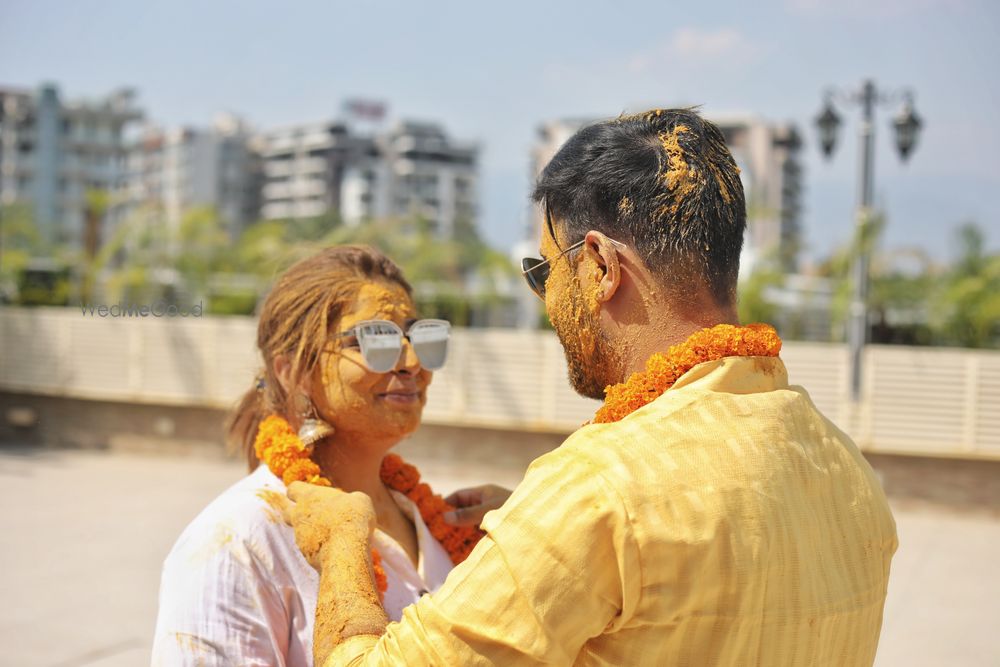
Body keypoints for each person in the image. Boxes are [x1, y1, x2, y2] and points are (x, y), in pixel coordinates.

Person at [286, 108, 899, 666]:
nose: (547, 299)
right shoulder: (843, 466)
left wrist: (343, 544)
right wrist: (538, 536)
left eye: (543, 270)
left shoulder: (598, 491)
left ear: (600, 267)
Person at [151, 246, 509, 666]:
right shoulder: (239, 539)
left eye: (419, 337)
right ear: (292, 372)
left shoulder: (440, 522)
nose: (412, 363)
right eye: (376, 340)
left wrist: (524, 536)